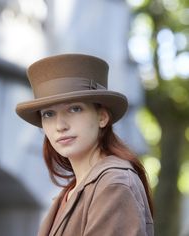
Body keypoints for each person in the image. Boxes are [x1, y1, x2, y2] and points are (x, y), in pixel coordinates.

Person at [16, 54, 154, 236]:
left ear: (102, 117)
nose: (60, 126)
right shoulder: (72, 192)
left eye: (75, 109)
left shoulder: (113, 185)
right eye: (48, 114)